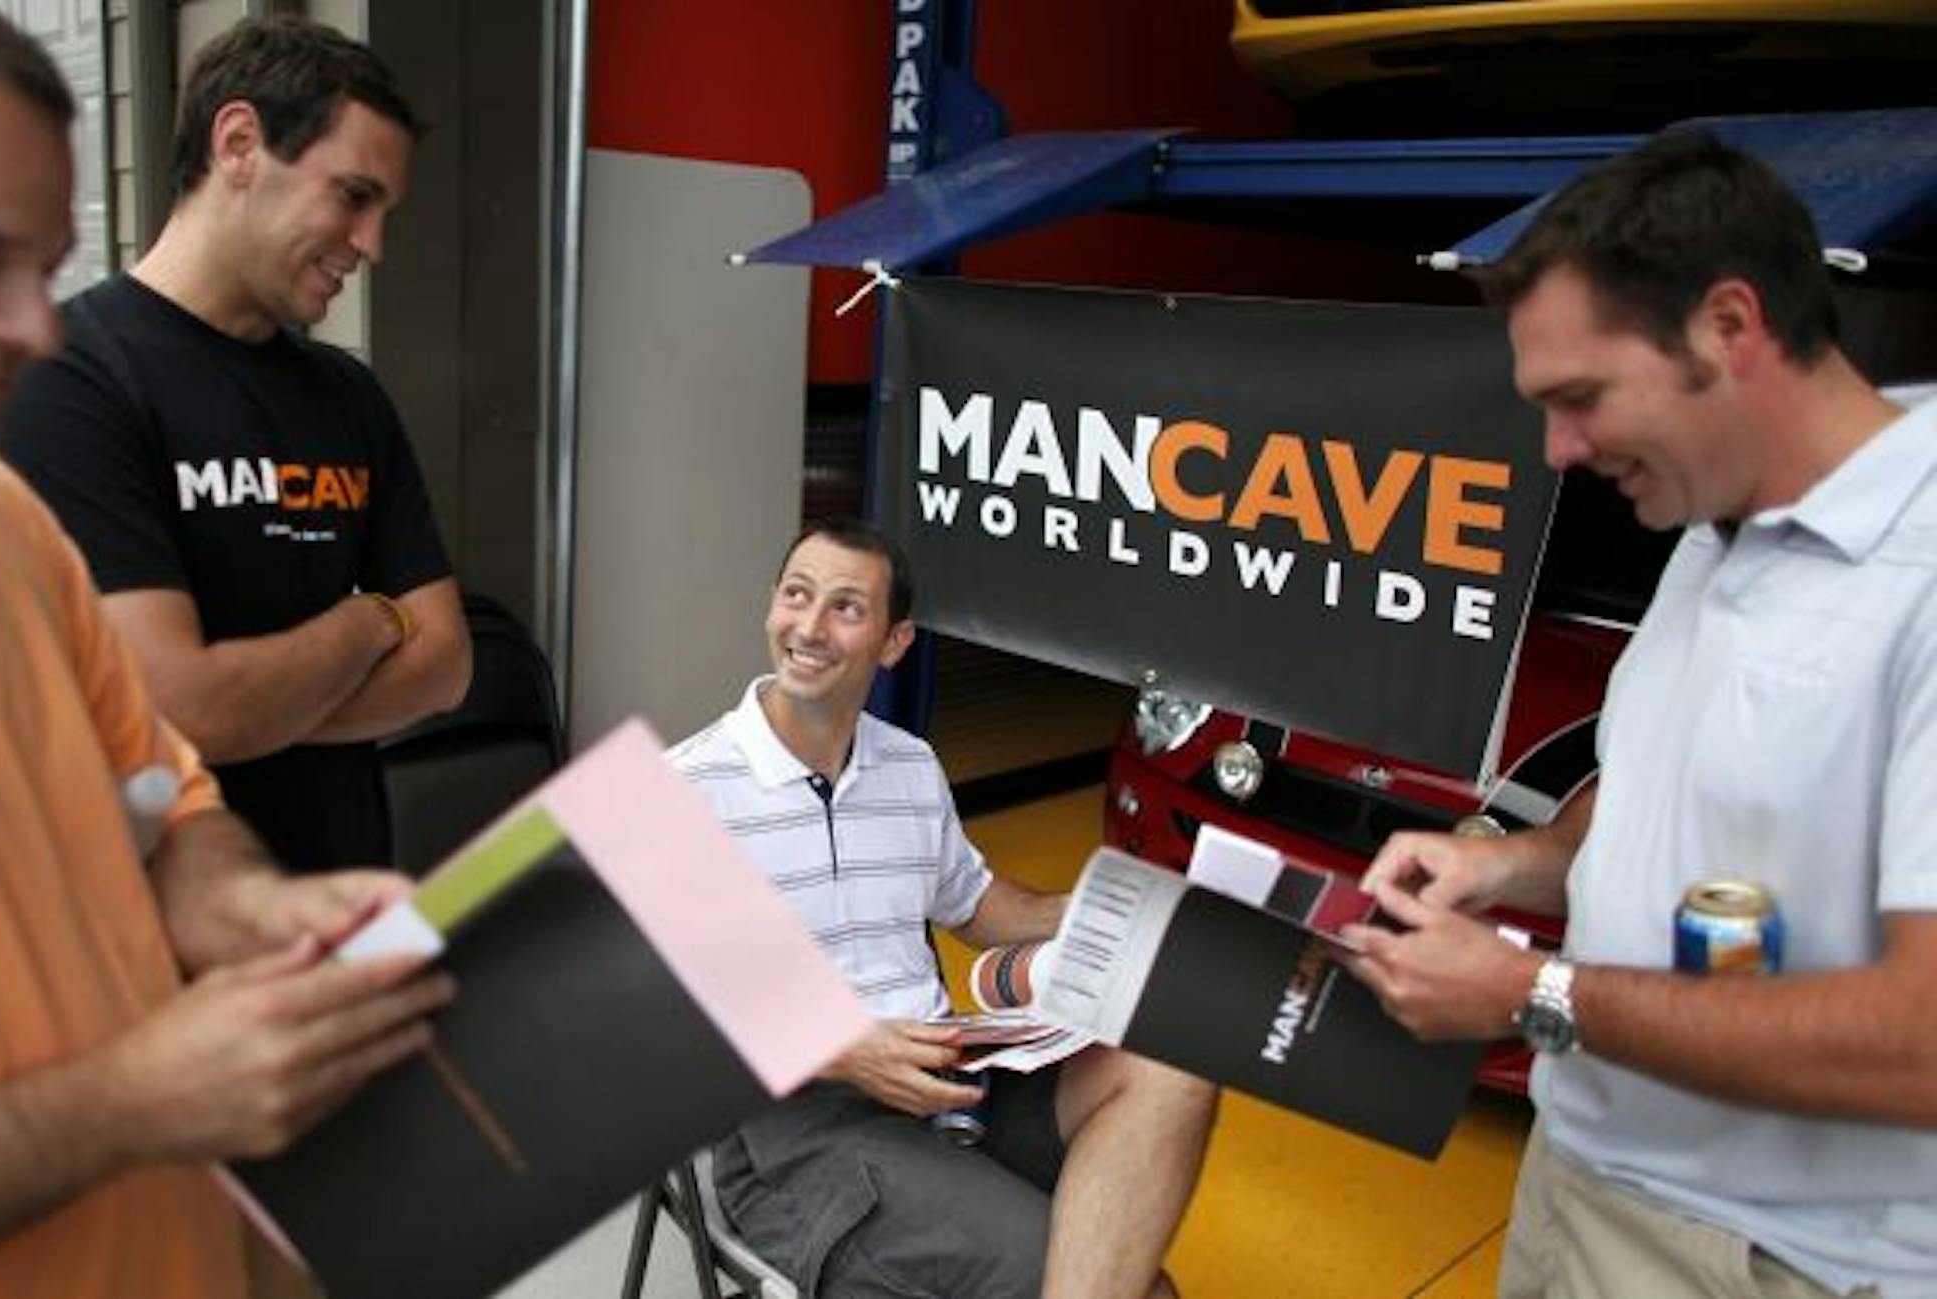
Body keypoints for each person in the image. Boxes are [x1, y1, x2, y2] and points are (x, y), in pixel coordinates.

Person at [0, 4, 454, 1296]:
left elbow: (167, 800)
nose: (35, 329)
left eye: (43, 268)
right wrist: (129, 1101)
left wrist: (251, 909)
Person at [1341, 130, 1937, 1299]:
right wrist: (1516, 868)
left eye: (1581, 399)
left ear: (1729, 324)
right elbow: (1664, 792)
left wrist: (1530, 995)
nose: (1559, 453)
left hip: (1770, 1258)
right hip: (1583, 1184)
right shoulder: (1716, 520)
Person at [672, 518, 1217, 1299]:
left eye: (846, 608)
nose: (811, 626)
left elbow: (981, 907)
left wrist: (1112, 911)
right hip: (800, 1131)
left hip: (952, 1074)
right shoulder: (684, 787)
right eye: (797, 595)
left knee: (1173, 1064)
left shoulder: (909, 763)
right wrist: (843, 1048)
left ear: (894, 642)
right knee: (1125, 1287)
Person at [0, 15, 469, 872]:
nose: (372, 245)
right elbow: (179, 704)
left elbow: (446, 665)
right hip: (156, 941)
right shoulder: (67, 377)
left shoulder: (349, 394)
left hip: (339, 910)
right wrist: (373, 618)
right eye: (355, 196)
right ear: (240, 143)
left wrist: (248, 709)